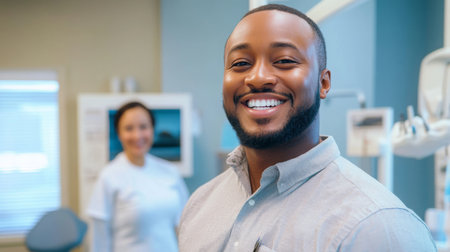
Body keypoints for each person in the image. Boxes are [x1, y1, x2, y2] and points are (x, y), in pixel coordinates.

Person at [177, 4, 436, 252]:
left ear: (323, 83)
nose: (257, 78)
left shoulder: (378, 227)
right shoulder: (200, 205)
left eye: (285, 61)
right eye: (241, 63)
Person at [87, 101, 188, 252]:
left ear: (152, 130)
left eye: (143, 127)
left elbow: (184, 225)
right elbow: (99, 240)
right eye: (129, 128)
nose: (137, 135)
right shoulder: (109, 177)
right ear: (119, 134)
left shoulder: (170, 172)